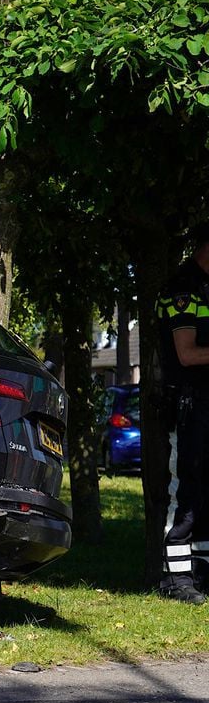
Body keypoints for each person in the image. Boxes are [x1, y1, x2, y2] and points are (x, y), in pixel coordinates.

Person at [155, 232, 209, 604]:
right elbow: (187, 354)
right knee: (186, 489)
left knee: (205, 490)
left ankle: (200, 573)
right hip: (188, 405)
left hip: (204, 402)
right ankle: (176, 578)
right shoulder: (183, 289)